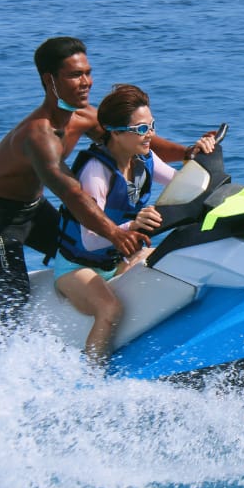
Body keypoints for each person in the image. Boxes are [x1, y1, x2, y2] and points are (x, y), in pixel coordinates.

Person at [0, 37, 214, 323]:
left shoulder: (84, 116)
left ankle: (88, 314)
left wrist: (187, 152)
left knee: (84, 255)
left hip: (33, 208)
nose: (86, 82)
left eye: (87, 73)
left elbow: (135, 137)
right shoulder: (39, 136)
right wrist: (116, 233)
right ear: (50, 80)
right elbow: (73, 194)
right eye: (74, 75)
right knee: (15, 297)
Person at [52, 83, 215, 364]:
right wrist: (133, 226)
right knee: (110, 309)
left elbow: (183, 185)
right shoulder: (96, 173)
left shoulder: (144, 158)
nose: (150, 134)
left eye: (151, 125)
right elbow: (91, 239)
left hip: (118, 259)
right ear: (115, 133)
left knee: (176, 263)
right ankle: (90, 376)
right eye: (141, 129)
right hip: (78, 267)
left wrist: (198, 156)